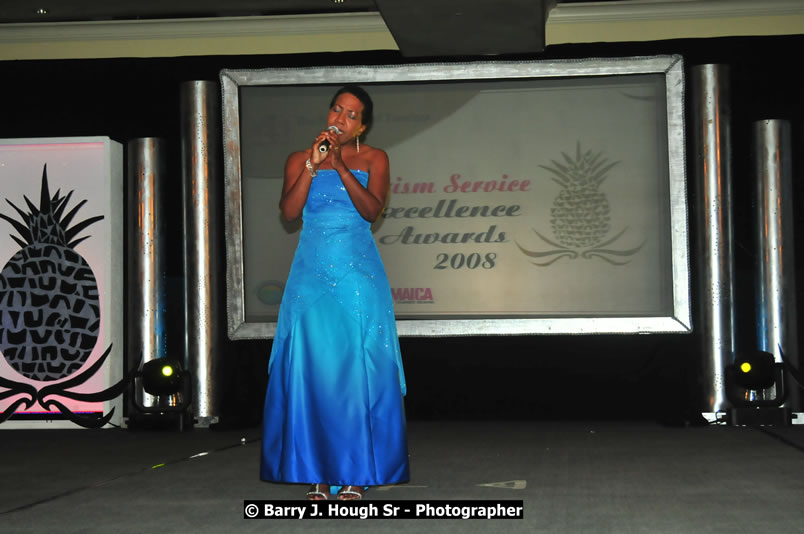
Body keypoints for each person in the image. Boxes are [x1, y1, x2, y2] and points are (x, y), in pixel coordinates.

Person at [260, 86, 409, 501]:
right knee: (312, 371)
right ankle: (317, 475)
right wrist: (313, 164)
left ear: (362, 125)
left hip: (357, 276)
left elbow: (371, 210)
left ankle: (357, 474)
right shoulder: (299, 159)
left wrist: (341, 166)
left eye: (351, 115)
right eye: (337, 110)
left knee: (354, 372)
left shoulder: (375, 158)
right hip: (309, 276)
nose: (340, 119)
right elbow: (289, 213)